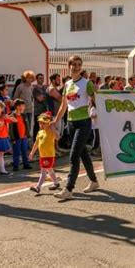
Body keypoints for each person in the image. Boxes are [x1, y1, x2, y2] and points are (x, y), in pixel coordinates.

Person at [51, 55, 100, 200]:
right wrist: (55, 121)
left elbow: (97, 99)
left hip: (84, 123)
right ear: (69, 66)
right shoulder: (67, 84)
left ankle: (68, 189)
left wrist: (95, 109)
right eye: (74, 64)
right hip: (71, 123)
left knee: (73, 156)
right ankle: (94, 181)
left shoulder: (87, 83)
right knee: (83, 153)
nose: (77, 67)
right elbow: (64, 105)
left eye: (79, 64)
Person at [28, 112, 61, 194]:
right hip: (42, 155)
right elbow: (36, 143)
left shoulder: (51, 131)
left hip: (49, 155)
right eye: (40, 123)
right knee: (50, 170)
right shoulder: (40, 132)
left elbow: (57, 137)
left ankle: (38, 187)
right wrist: (32, 152)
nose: (41, 125)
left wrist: (53, 128)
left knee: (43, 171)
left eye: (43, 123)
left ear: (48, 123)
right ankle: (56, 183)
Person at [9, 99, 32, 171]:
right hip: (17, 137)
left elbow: (26, 126)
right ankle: (15, 165)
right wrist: (12, 138)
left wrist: (28, 135)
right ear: (18, 107)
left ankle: (26, 164)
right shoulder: (12, 116)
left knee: (24, 151)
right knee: (16, 152)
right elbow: (10, 128)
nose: (24, 107)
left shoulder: (23, 115)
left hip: (24, 136)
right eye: (23, 106)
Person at [32, 73, 48, 141]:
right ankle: (35, 141)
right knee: (37, 126)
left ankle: (42, 140)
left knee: (44, 126)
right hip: (38, 111)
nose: (42, 79)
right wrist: (46, 96)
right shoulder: (35, 89)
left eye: (42, 78)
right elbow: (40, 99)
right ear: (37, 79)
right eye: (40, 78)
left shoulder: (45, 88)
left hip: (45, 110)